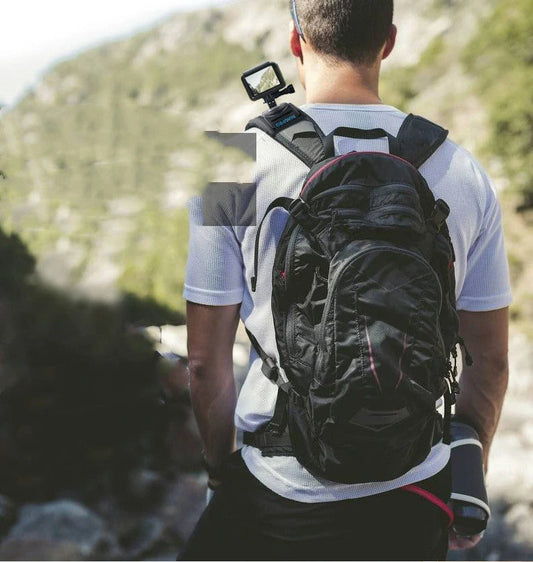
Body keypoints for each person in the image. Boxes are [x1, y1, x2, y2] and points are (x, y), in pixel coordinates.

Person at [179, 0, 511, 559]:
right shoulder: (462, 171)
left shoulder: (232, 165)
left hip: (279, 493)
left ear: (295, 40)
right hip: (415, 491)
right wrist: (465, 474)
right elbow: (492, 364)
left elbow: (204, 364)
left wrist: (218, 475)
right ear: (389, 41)